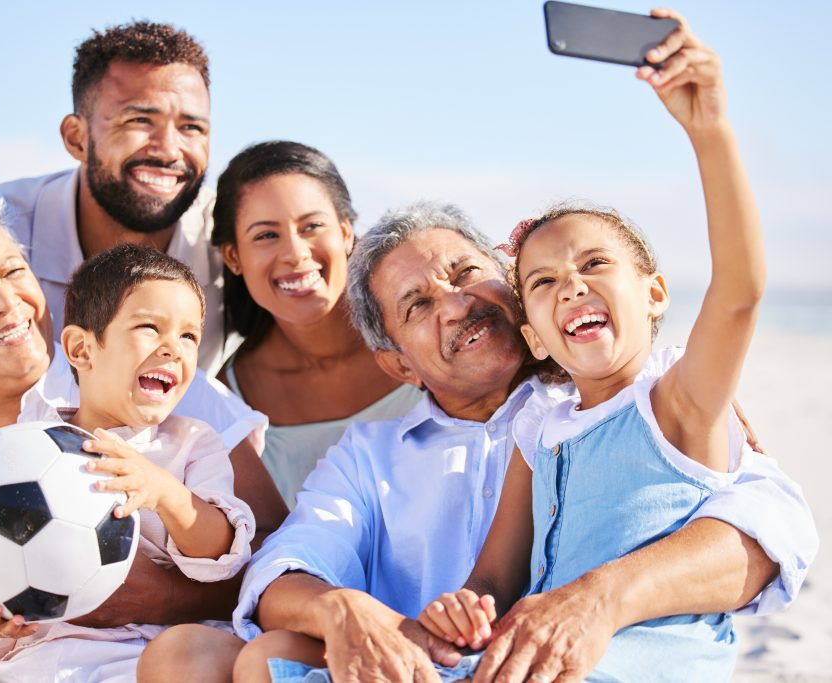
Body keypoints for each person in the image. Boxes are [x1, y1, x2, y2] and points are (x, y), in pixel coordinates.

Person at [230, 198, 816, 680]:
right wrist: (342, 608)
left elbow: (776, 522)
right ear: (399, 366)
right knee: (230, 656)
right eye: (419, 305)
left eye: (465, 275)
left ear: (508, 285)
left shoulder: (621, 399)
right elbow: (285, 569)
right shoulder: (369, 456)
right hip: (448, 663)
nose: (457, 305)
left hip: (607, 661)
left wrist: (602, 595)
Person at [417, 12, 775, 681]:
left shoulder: (680, 404)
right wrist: (465, 608)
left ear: (655, 294)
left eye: (594, 265)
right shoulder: (538, 426)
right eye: (544, 282)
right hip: (533, 659)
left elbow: (741, 291)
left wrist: (710, 132)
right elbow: (497, 572)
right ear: (534, 334)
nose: (571, 286)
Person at [0, 23, 288, 545]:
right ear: (77, 137)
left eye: (192, 127)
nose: (169, 148)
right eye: (139, 120)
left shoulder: (228, 244)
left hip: (150, 502)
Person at [0, 171, 265, 683]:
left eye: (13, 271)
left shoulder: (155, 390)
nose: (5, 303)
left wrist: (164, 597)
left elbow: (276, 562)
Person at [0, 244, 254, 681]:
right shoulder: (20, 448)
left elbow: (221, 552)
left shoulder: (190, 445)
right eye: (150, 327)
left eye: (189, 335)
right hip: (29, 658)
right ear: (82, 350)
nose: (174, 349)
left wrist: (165, 493)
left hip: (135, 654)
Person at [212, 141, 421, 504]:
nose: (295, 253)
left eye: (311, 226)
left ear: (344, 233)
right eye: (266, 235)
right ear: (233, 256)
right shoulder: (227, 403)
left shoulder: (421, 333)